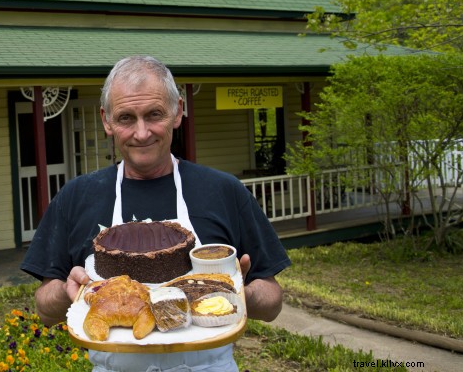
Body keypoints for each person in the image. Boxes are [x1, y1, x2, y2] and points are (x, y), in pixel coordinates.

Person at [20, 55, 290, 372]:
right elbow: (44, 309)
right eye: (126, 118)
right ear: (106, 120)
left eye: (154, 115)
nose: (142, 132)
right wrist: (72, 293)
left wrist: (240, 295)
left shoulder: (224, 191)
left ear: (177, 111)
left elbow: (272, 302)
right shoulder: (76, 197)